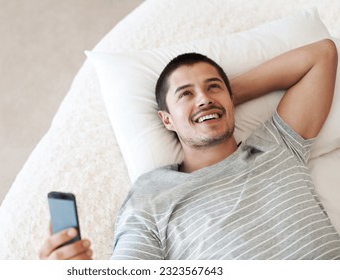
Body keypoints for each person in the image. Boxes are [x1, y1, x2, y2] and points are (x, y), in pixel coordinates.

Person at [39, 39, 340, 260]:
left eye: (213, 87)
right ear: (166, 120)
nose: (203, 98)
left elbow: (322, 54)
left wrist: (221, 97)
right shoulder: (151, 195)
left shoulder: (277, 143)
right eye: (186, 94)